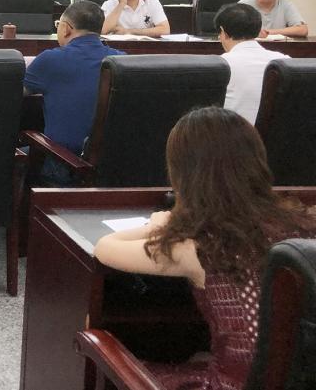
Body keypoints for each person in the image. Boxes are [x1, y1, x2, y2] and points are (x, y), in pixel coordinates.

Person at [95, 106, 316, 390]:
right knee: (199, 356)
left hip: (232, 384)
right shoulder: (305, 224)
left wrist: (159, 225)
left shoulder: (199, 246)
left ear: (183, 176)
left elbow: (105, 247)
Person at [23, 1, 124, 185]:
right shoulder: (122, 61)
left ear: (66, 29)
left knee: (12, 157)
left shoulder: (51, 59)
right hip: (112, 170)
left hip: (63, 165)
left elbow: (15, 93)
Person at [214, 3, 289, 124]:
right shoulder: (285, 61)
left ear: (223, 32)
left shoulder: (220, 65)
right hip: (277, 134)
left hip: (233, 133)